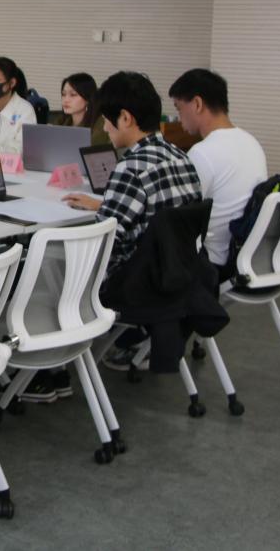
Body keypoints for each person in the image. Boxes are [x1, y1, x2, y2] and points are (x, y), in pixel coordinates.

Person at [62, 71, 203, 368]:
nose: (104, 126)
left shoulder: (130, 168)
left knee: (46, 266)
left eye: (107, 119)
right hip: (177, 278)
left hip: (135, 286)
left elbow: (104, 248)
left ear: (125, 118)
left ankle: (51, 369)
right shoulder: (182, 158)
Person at [169, 68, 267, 270]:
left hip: (213, 260)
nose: (179, 118)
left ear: (197, 104)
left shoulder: (203, 152)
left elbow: (177, 211)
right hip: (245, 254)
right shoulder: (251, 142)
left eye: (179, 108)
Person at [59, 72, 111, 146]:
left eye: (73, 95)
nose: (66, 100)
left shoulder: (101, 124)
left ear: (87, 98)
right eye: (63, 94)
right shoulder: (62, 122)